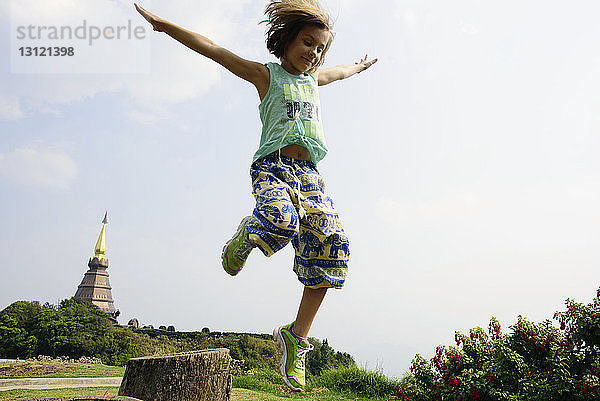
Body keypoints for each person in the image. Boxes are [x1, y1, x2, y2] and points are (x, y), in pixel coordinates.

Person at [135, 0, 377, 391]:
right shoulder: (268, 77)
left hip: (310, 177)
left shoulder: (314, 81)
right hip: (274, 169)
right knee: (281, 221)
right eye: (307, 42)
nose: (314, 53)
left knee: (334, 246)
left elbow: (341, 72)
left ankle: (296, 338)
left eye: (320, 48)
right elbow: (215, 50)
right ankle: (248, 233)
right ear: (287, 40)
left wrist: (360, 66)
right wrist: (165, 26)